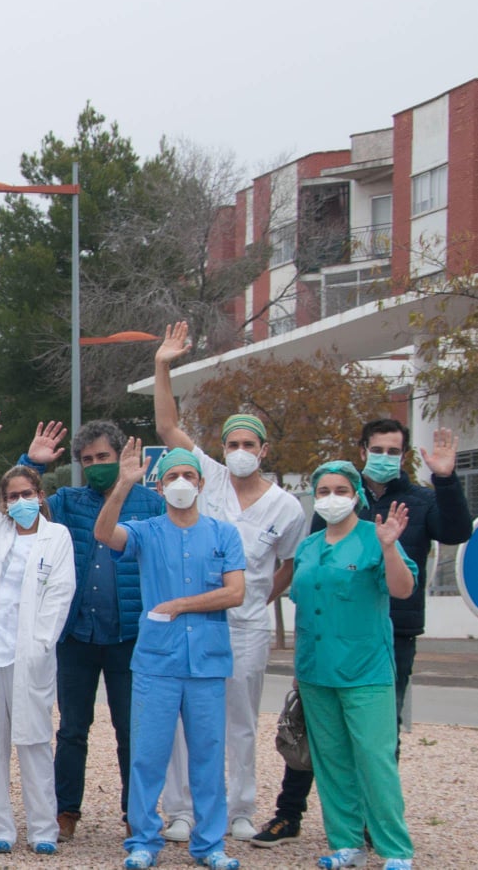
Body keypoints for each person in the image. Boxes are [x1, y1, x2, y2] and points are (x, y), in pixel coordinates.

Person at [256, 420, 469, 848]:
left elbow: (457, 532)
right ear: (362, 449)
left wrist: (446, 479)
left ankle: (378, 825)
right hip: (324, 642)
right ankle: (289, 813)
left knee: (377, 740)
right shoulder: (334, 500)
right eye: (378, 448)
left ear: (404, 454)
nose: (385, 455)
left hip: (391, 632)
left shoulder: (419, 500)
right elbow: (309, 565)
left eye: (394, 449)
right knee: (312, 733)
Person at [149, 326, 306, 843]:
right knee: (182, 722)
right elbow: (168, 425)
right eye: (232, 443)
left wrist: (260, 597)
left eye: (249, 444)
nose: (240, 451)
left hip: (244, 627)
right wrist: (164, 365)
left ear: (263, 451)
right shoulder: (208, 477)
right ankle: (182, 810)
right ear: (222, 448)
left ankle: (239, 808)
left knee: (239, 722)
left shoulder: (284, 506)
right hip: (193, 623)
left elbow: (289, 564)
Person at [93, 442, 246, 870]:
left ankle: (210, 843)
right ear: (160, 486)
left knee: (208, 754)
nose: (182, 484)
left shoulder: (223, 534)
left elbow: (236, 592)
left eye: (190, 477)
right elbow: (105, 534)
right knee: (148, 754)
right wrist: (123, 484)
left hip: (207, 663)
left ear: (201, 483)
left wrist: (181, 604)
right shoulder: (147, 531)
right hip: (157, 662)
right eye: (173, 477)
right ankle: (143, 839)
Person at [18, 419, 163, 841]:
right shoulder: (67, 502)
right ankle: (65, 812)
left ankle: (136, 813)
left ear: (121, 458)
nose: (96, 465)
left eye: (104, 457)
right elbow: (21, 504)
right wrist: (33, 463)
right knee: (72, 729)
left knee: (130, 729)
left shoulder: (149, 505)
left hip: (129, 635)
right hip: (78, 635)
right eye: (88, 460)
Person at [272, 463, 416, 870]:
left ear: (355, 493)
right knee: (331, 761)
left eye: (340, 489)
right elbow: (304, 607)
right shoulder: (309, 546)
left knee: (374, 759)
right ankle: (346, 843)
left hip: (365, 671)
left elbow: (402, 589)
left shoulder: (376, 537)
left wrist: (390, 548)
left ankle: (395, 848)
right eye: (322, 490)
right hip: (316, 672)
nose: (331, 496)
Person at [0, 409, 76, 856]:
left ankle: (43, 828)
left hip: (30, 658)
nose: (21, 500)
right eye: (13, 495)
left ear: (39, 495)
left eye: (28, 493)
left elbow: (61, 594)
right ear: (4, 502)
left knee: (34, 744)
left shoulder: (57, 536)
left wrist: (42, 646)